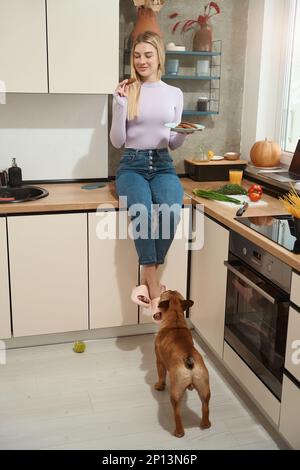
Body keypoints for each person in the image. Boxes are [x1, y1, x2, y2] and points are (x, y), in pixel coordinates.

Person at [110, 30, 190, 317]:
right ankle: (154, 286)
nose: (142, 61)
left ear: (159, 58)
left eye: (148, 55)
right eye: (137, 55)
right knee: (142, 209)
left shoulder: (175, 94)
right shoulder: (126, 91)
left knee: (171, 209)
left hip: (163, 164)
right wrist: (120, 107)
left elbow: (173, 141)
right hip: (131, 164)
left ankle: (146, 278)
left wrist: (183, 134)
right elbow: (118, 141)